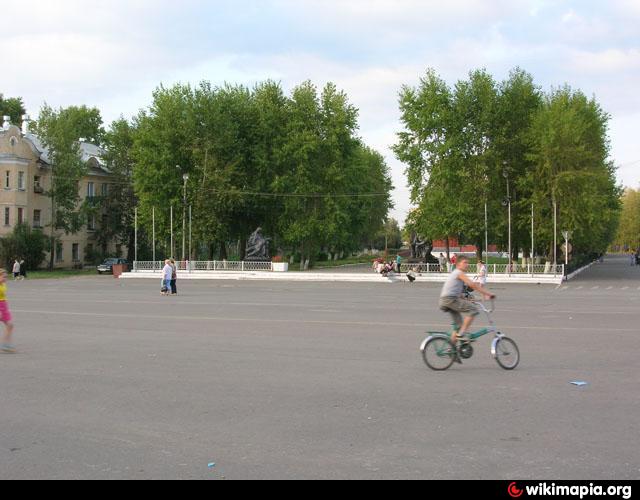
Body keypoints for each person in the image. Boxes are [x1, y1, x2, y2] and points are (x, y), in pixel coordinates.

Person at [439, 255, 496, 361]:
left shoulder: (457, 276)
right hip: (450, 300)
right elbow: (472, 285)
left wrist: (472, 299)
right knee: (473, 310)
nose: (467, 264)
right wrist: (488, 294)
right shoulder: (459, 273)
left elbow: (461, 295)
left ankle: (450, 350)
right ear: (458, 264)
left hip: (447, 301)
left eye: (468, 262)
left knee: (458, 326)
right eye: (465, 262)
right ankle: (461, 334)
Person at [0, 269, 16, 353]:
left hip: (3, 306)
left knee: (10, 325)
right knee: (10, 325)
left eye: (6, 277)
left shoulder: (3, 284)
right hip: (1, 307)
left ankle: (5, 344)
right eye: (3, 277)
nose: (5, 278)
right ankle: (5, 345)